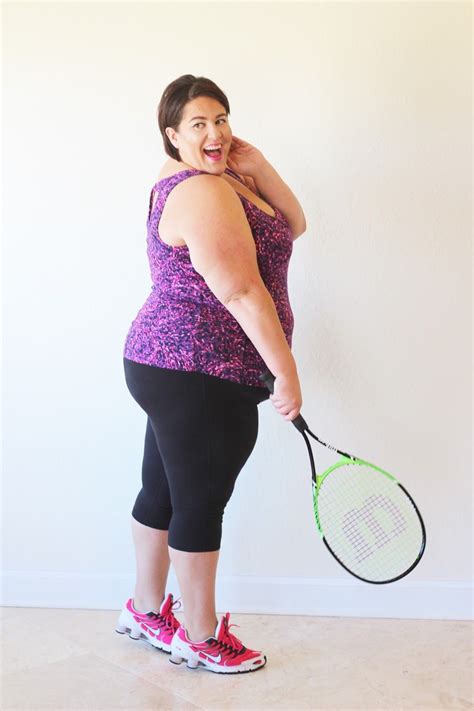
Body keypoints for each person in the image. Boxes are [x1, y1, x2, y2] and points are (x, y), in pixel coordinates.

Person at [115, 74, 306, 674]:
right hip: (196, 367)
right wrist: (286, 373)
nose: (216, 133)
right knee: (199, 498)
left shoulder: (228, 181)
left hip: (171, 363)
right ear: (172, 136)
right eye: (198, 124)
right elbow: (242, 289)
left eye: (221, 119)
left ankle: (146, 610)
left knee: (166, 489)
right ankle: (198, 635)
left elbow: (292, 224)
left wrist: (259, 163)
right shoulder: (201, 192)